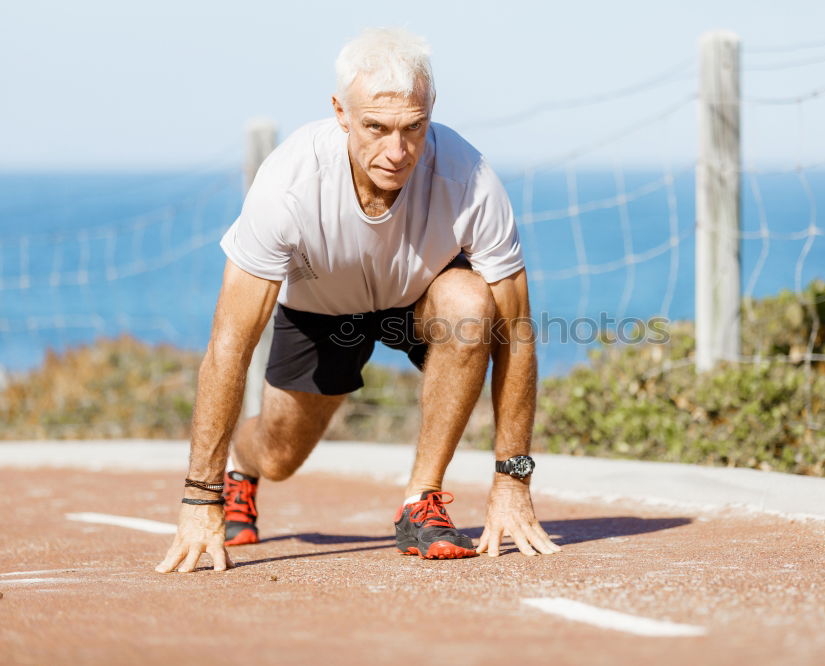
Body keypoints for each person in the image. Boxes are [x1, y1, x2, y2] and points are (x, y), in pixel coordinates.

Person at [155, 27, 560, 573]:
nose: (397, 152)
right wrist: (200, 498)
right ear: (341, 112)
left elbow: (516, 332)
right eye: (376, 127)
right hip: (321, 311)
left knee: (472, 304)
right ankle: (239, 474)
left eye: (414, 128)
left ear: (431, 110)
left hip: (419, 299)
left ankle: (422, 501)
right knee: (278, 455)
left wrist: (514, 481)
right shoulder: (288, 186)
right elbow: (229, 344)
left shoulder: (470, 178)